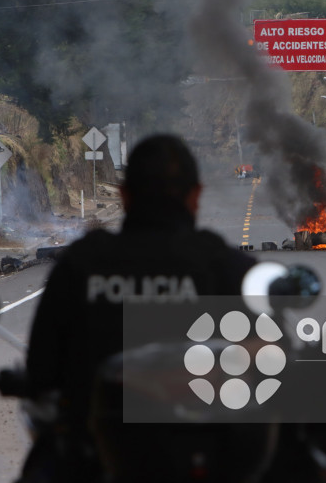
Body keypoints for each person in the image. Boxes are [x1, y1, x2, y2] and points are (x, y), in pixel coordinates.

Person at [25, 134, 257, 481]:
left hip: (94, 460)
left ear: (124, 196)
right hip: (210, 459)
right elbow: (273, 368)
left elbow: (41, 372)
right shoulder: (229, 269)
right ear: (195, 196)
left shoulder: (80, 266)